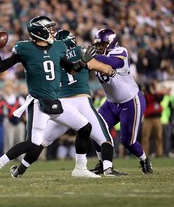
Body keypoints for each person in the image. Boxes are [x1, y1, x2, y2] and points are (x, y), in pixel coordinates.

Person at [0, 16, 116, 181]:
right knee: (33, 142)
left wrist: (83, 62)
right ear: (39, 31)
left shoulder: (58, 47)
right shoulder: (24, 48)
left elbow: (71, 69)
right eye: (48, 28)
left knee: (85, 127)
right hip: (39, 102)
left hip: (56, 101)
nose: (52, 31)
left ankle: (80, 168)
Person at [9, 29, 125, 178]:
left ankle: (19, 171)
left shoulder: (53, 55)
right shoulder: (79, 51)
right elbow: (103, 68)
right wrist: (111, 71)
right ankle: (108, 169)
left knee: (41, 142)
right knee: (104, 137)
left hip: (61, 105)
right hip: (82, 101)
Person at [89, 28, 153, 174]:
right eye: (97, 45)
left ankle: (144, 160)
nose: (99, 48)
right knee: (96, 130)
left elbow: (112, 63)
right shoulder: (96, 58)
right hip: (111, 103)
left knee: (127, 141)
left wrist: (90, 59)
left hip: (130, 101)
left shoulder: (120, 51)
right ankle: (103, 164)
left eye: (102, 45)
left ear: (111, 43)